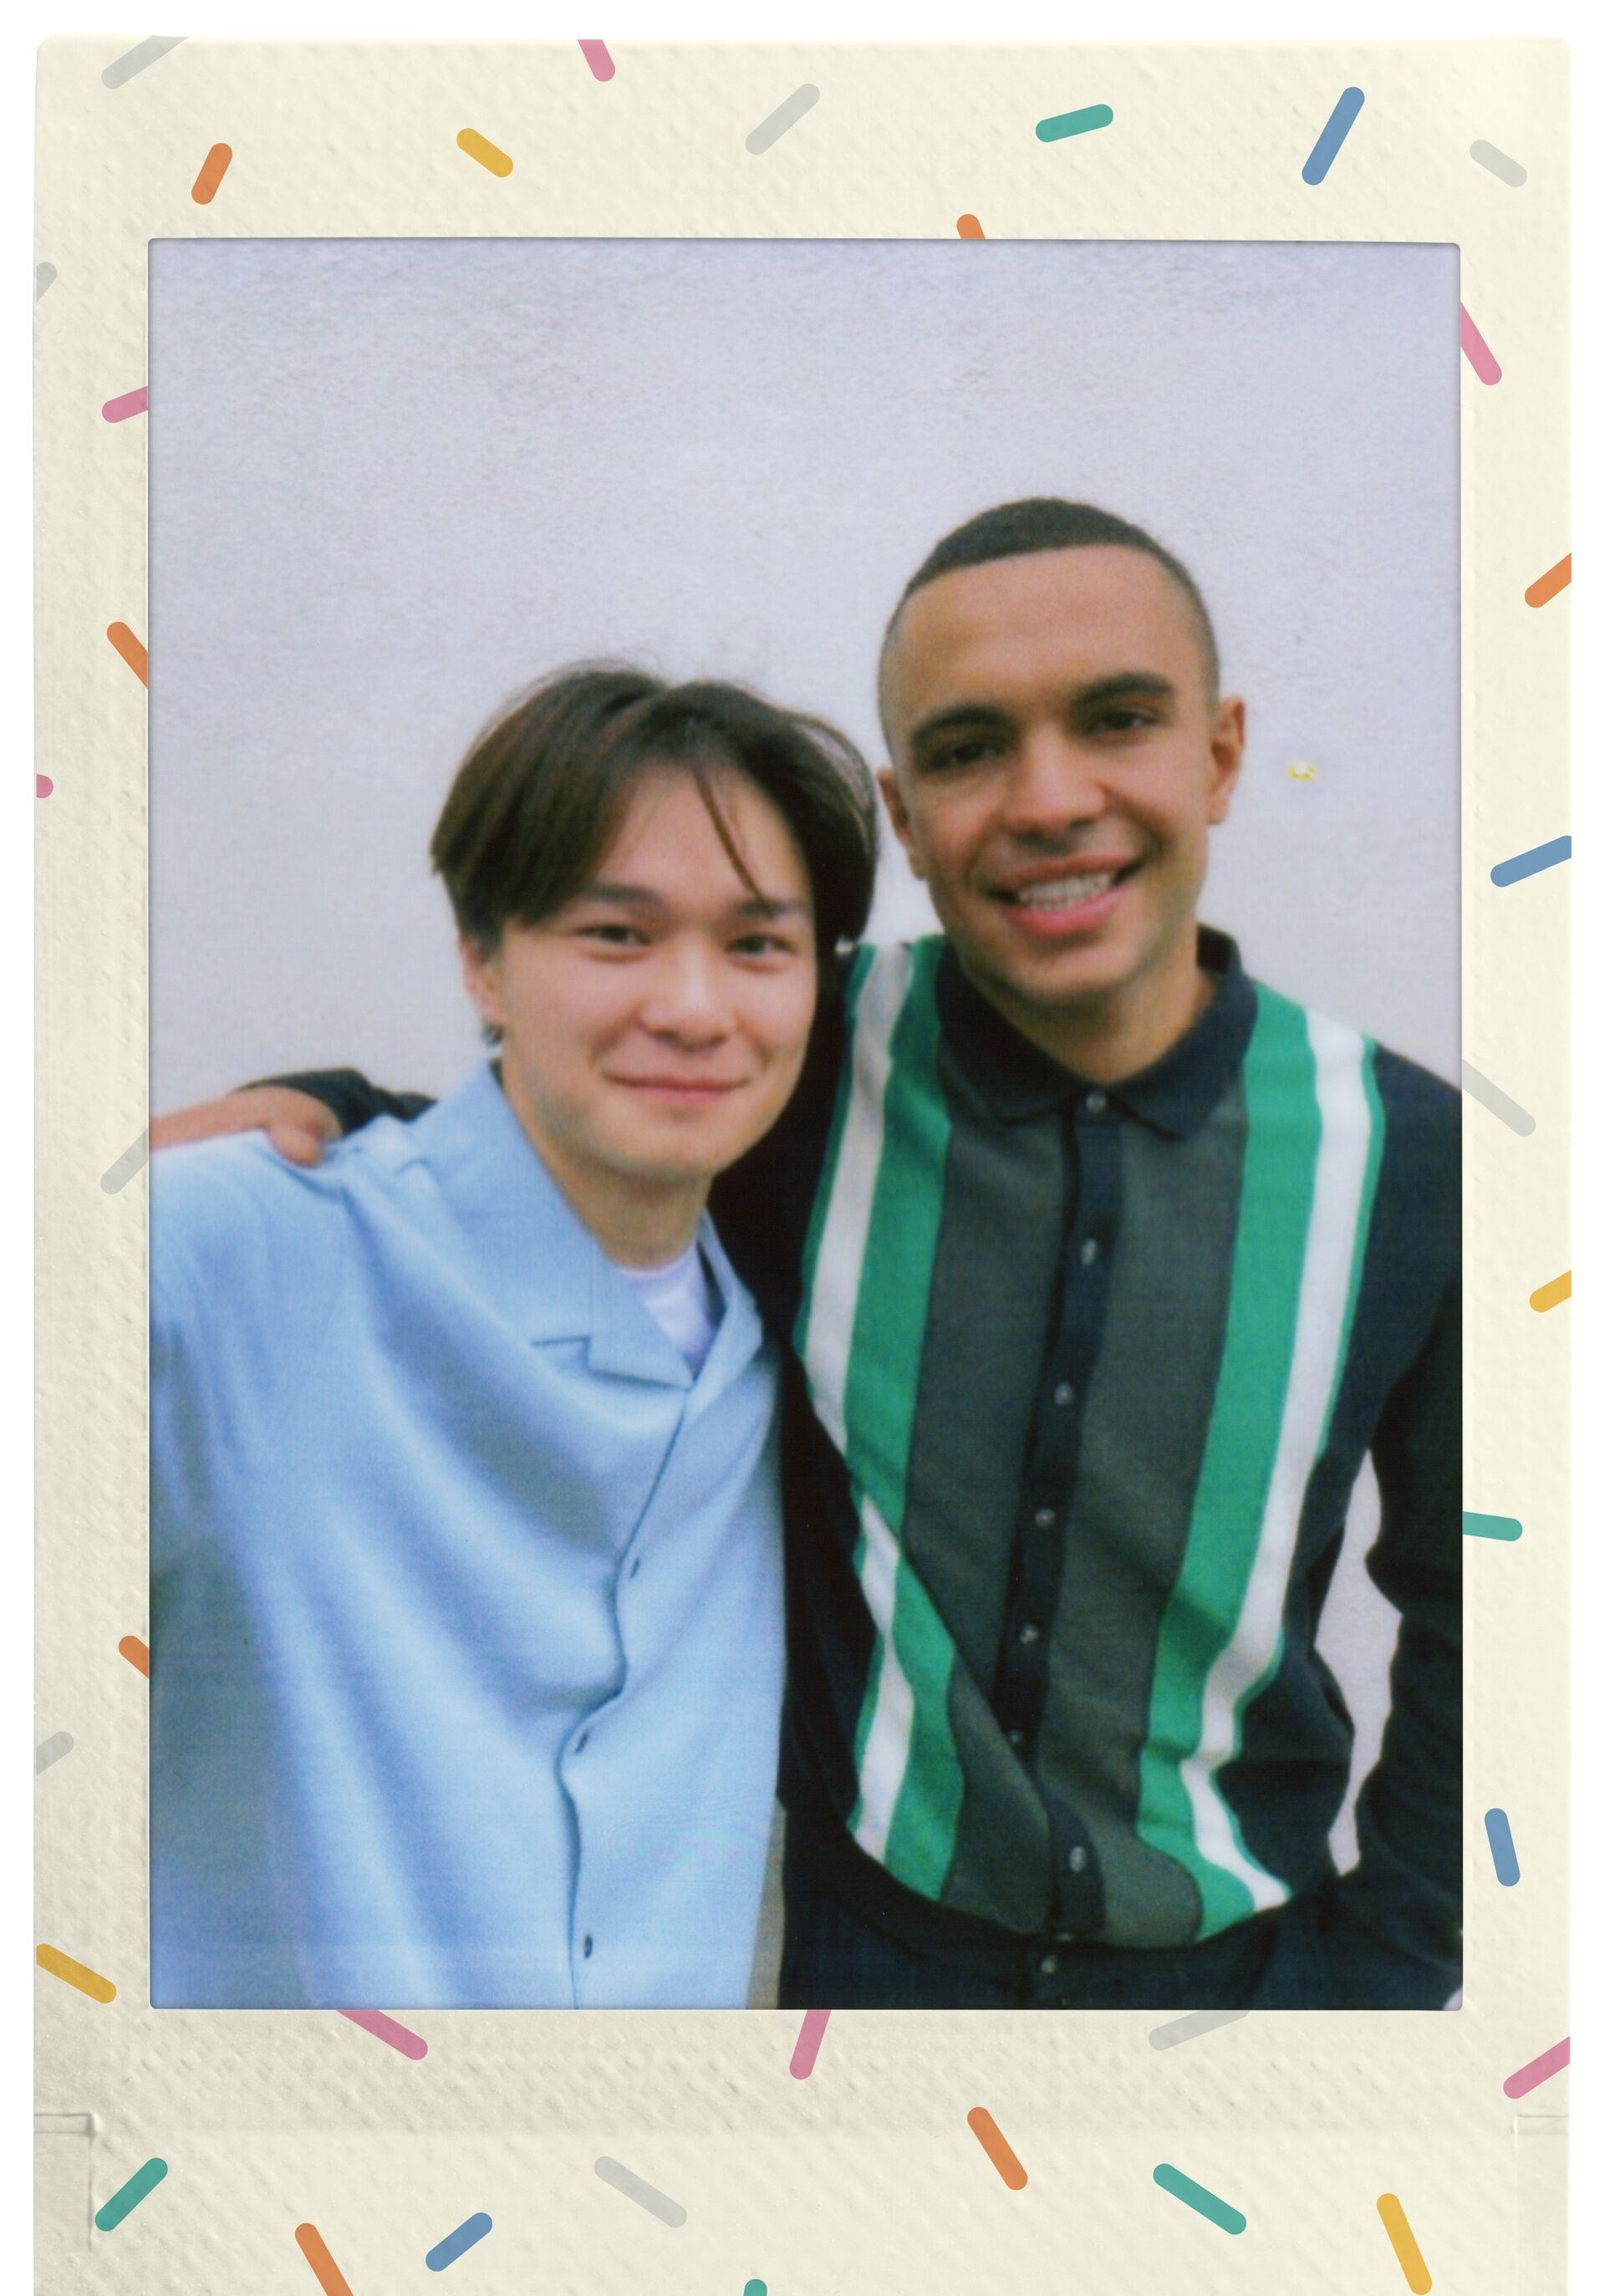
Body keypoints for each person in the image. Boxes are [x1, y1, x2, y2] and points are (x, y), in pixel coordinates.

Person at [160, 500, 1461, 2013]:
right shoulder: (813, 1060)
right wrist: (325, 1107)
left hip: (1245, 1993)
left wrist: (1393, 1968)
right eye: (969, 748)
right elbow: (575, 1107)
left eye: (1118, 720)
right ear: (906, 816)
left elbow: (1497, 1591)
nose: (1051, 799)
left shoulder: (1409, 1156)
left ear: (1222, 754)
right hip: (863, 1983)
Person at [148, 665, 878, 2009]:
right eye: (617, 934)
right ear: (481, 959)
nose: (696, 1008)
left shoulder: (796, 1324)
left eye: (759, 947)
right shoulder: (242, 1249)